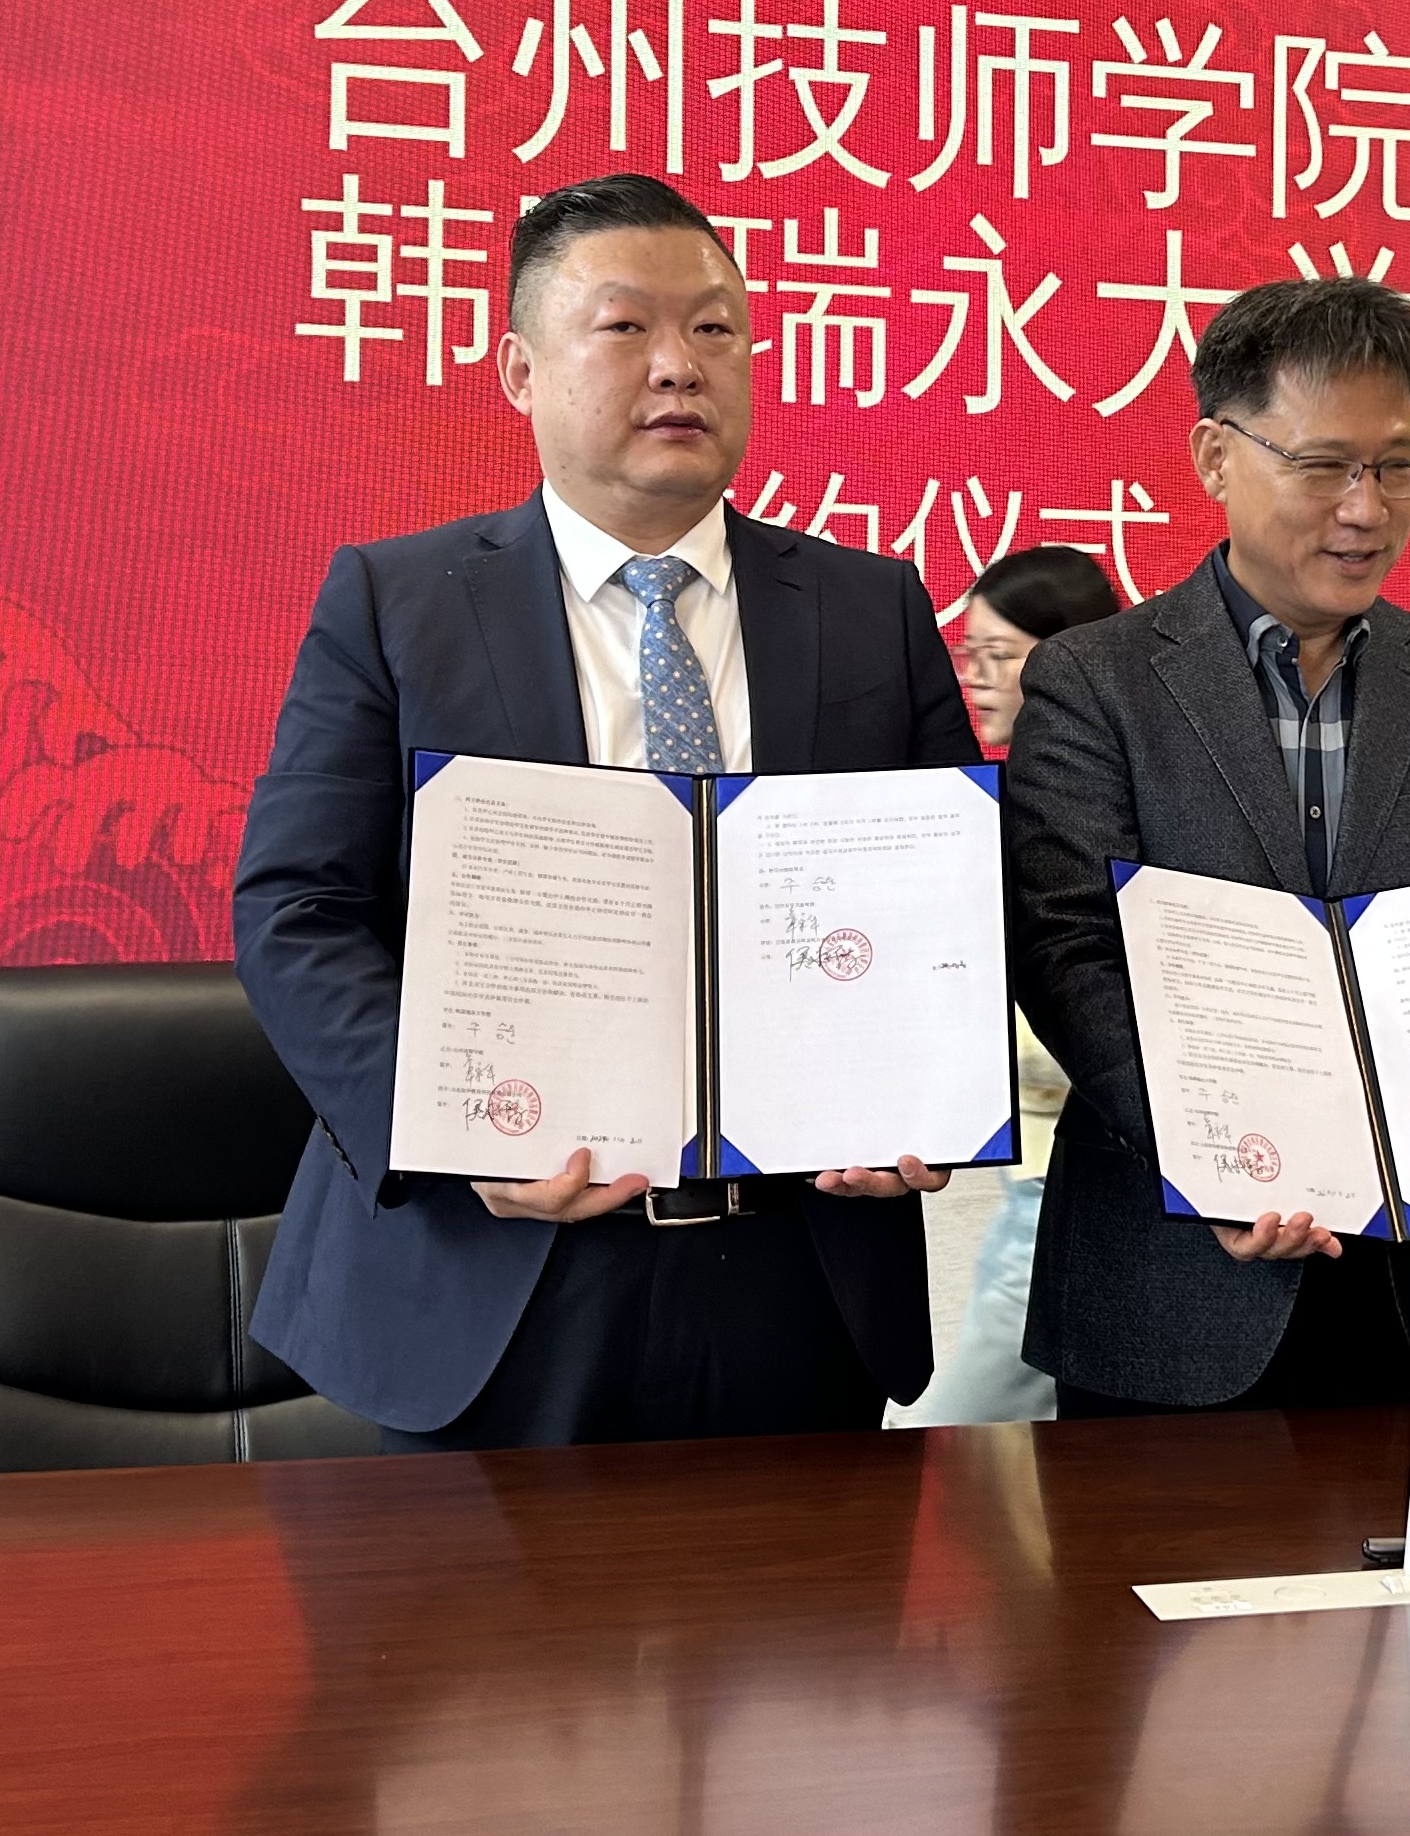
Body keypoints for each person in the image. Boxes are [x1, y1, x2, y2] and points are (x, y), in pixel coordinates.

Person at [233, 170, 975, 1449]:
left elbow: (946, 905)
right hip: (492, 1274)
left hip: (797, 1278)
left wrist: (931, 1094)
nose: (680, 365)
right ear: (521, 371)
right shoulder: (397, 604)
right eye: (626, 327)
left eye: (715, 328)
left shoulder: (872, 608)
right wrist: (453, 1131)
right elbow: (298, 911)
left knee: (809, 1591)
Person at [1005, 276, 1410, 1416]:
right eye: (1324, 465)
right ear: (1216, 457)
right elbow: (1067, 952)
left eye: (1394, 467)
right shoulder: (1096, 681)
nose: (1365, 509)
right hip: (1171, 1274)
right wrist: (1221, 1157)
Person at [905, 546, 1123, 1426]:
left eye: (1001, 655)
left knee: (953, 1439)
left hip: (1079, 1187)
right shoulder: (983, 804)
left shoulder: (1101, 815)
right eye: (969, 654)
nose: (977, 678)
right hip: (1032, 1190)